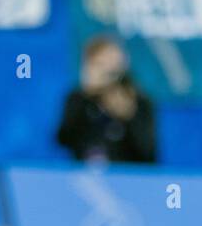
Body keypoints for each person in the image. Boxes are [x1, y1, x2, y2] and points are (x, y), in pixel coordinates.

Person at [56, 35, 157, 165]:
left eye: (111, 65)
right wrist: (85, 97)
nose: (105, 71)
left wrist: (128, 117)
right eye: (99, 64)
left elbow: (148, 154)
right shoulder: (77, 98)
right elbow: (63, 139)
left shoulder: (138, 102)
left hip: (127, 177)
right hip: (85, 176)